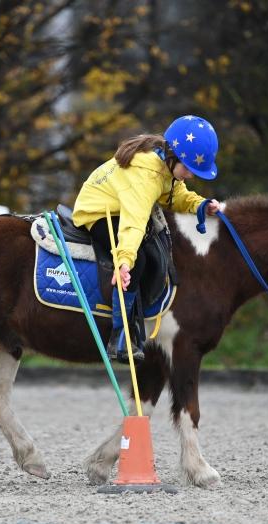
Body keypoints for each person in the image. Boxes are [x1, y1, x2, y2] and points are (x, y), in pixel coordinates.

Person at [72, 115, 221, 364]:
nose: (190, 175)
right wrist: (124, 262)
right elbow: (133, 223)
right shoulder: (145, 177)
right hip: (97, 212)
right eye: (188, 168)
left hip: (120, 208)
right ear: (173, 155)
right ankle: (120, 335)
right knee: (138, 259)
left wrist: (200, 205)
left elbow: (175, 195)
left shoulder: (165, 167)